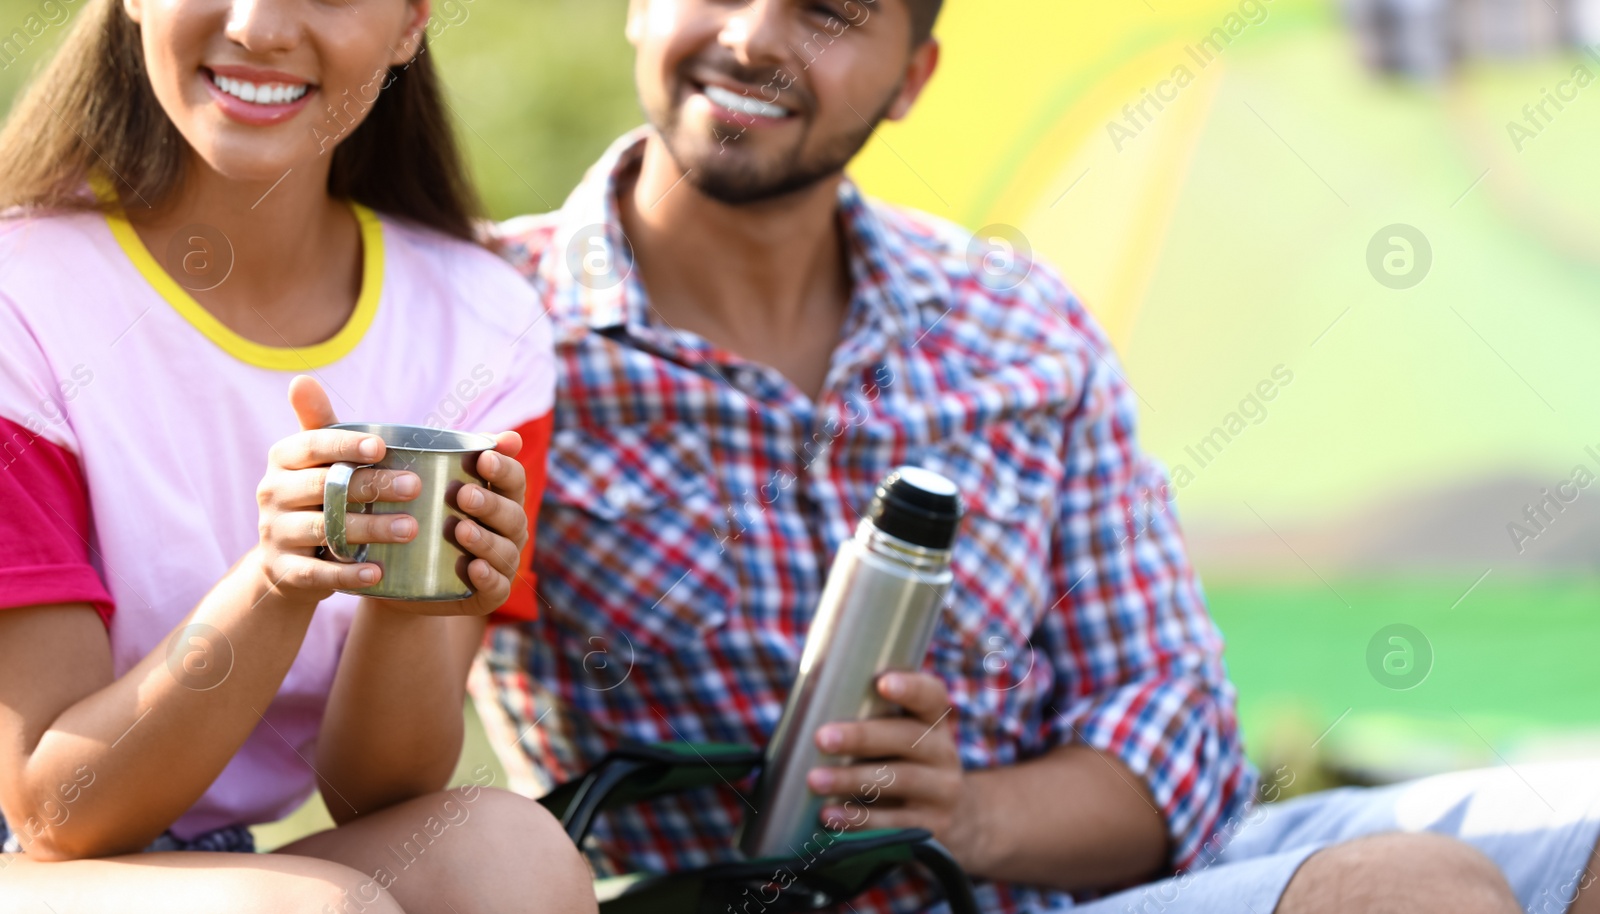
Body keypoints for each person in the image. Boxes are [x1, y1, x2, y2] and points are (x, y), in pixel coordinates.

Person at [479, 0, 1600, 912]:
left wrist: (964, 809)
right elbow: (375, 753)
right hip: (749, 900)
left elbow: (1174, 720)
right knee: (1407, 892)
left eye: (827, 13)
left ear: (911, 79)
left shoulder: (1011, 323)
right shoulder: (491, 322)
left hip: (1090, 880)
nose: (756, 36)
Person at [0, 0, 594, 911]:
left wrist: (412, 582)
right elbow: (57, 813)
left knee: (512, 851)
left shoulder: (482, 321)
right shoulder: (23, 297)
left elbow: (376, 796)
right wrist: (276, 583)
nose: (258, 27)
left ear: (410, 24)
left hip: (212, 866)